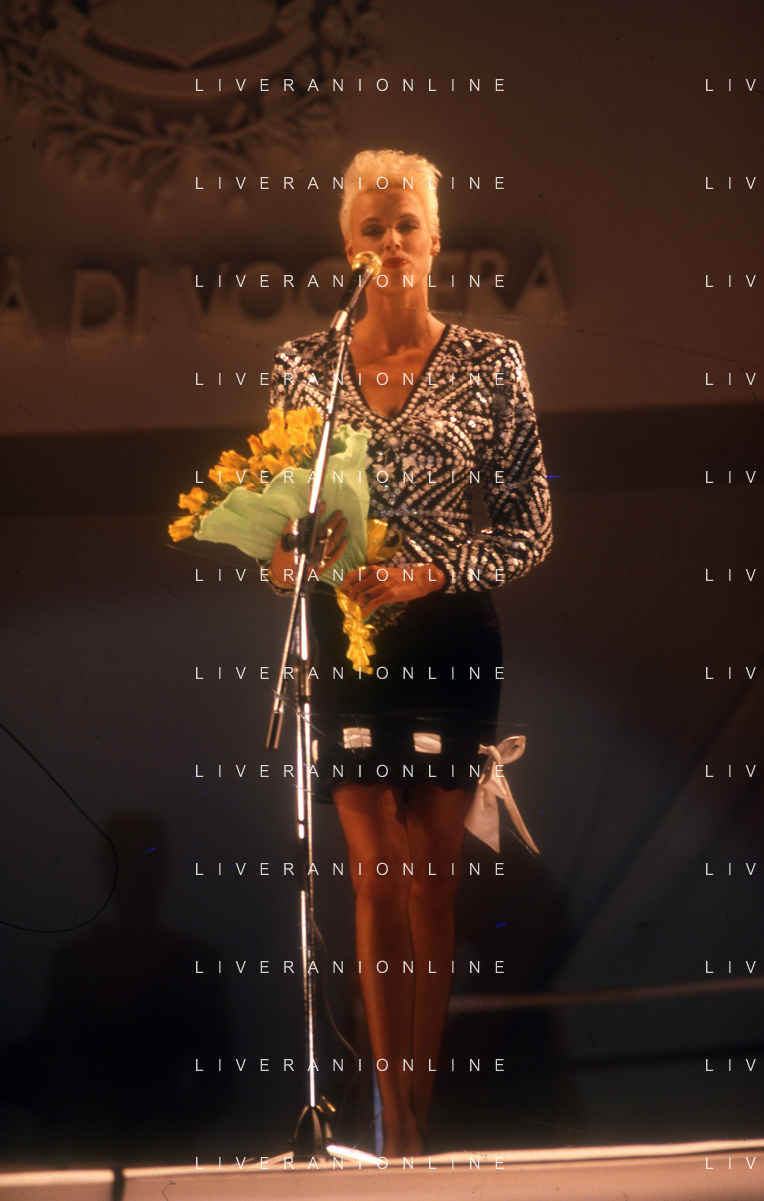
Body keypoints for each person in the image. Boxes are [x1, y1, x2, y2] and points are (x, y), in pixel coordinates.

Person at [267, 149, 552, 1156]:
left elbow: (529, 527)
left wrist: (433, 571)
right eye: (372, 227)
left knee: (430, 879)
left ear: (436, 240)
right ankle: (392, 1129)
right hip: (346, 642)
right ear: (347, 246)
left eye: (407, 225)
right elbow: (285, 513)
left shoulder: (491, 363)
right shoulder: (304, 366)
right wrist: (287, 558)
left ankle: (413, 1129)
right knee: (374, 874)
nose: (390, 242)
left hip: (449, 637)